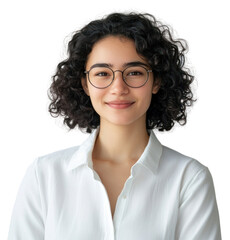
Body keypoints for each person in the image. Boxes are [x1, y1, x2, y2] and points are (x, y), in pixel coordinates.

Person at [8, 12, 221, 240]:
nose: (118, 87)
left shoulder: (189, 179)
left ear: (156, 81)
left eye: (135, 72)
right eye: (102, 73)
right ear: (85, 84)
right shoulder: (44, 176)